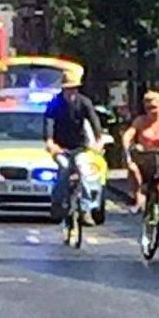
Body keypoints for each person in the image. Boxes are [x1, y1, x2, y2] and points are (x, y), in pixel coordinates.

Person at [122, 91, 159, 250]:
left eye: (155, 107)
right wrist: (128, 147)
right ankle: (138, 197)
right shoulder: (140, 121)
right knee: (132, 168)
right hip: (144, 163)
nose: (152, 111)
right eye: (148, 108)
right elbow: (128, 135)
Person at [44, 69, 103, 226]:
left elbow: (94, 121)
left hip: (80, 147)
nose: (71, 92)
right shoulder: (54, 104)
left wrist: (98, 140)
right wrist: (50, 142)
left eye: (74, 88)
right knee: (64, 169)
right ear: (63, 88)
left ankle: (86, 209)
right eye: (68, 88)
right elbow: (49, 124)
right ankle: (57, 203)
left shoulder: (84, 102)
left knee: (84, 173)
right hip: (60, 147)